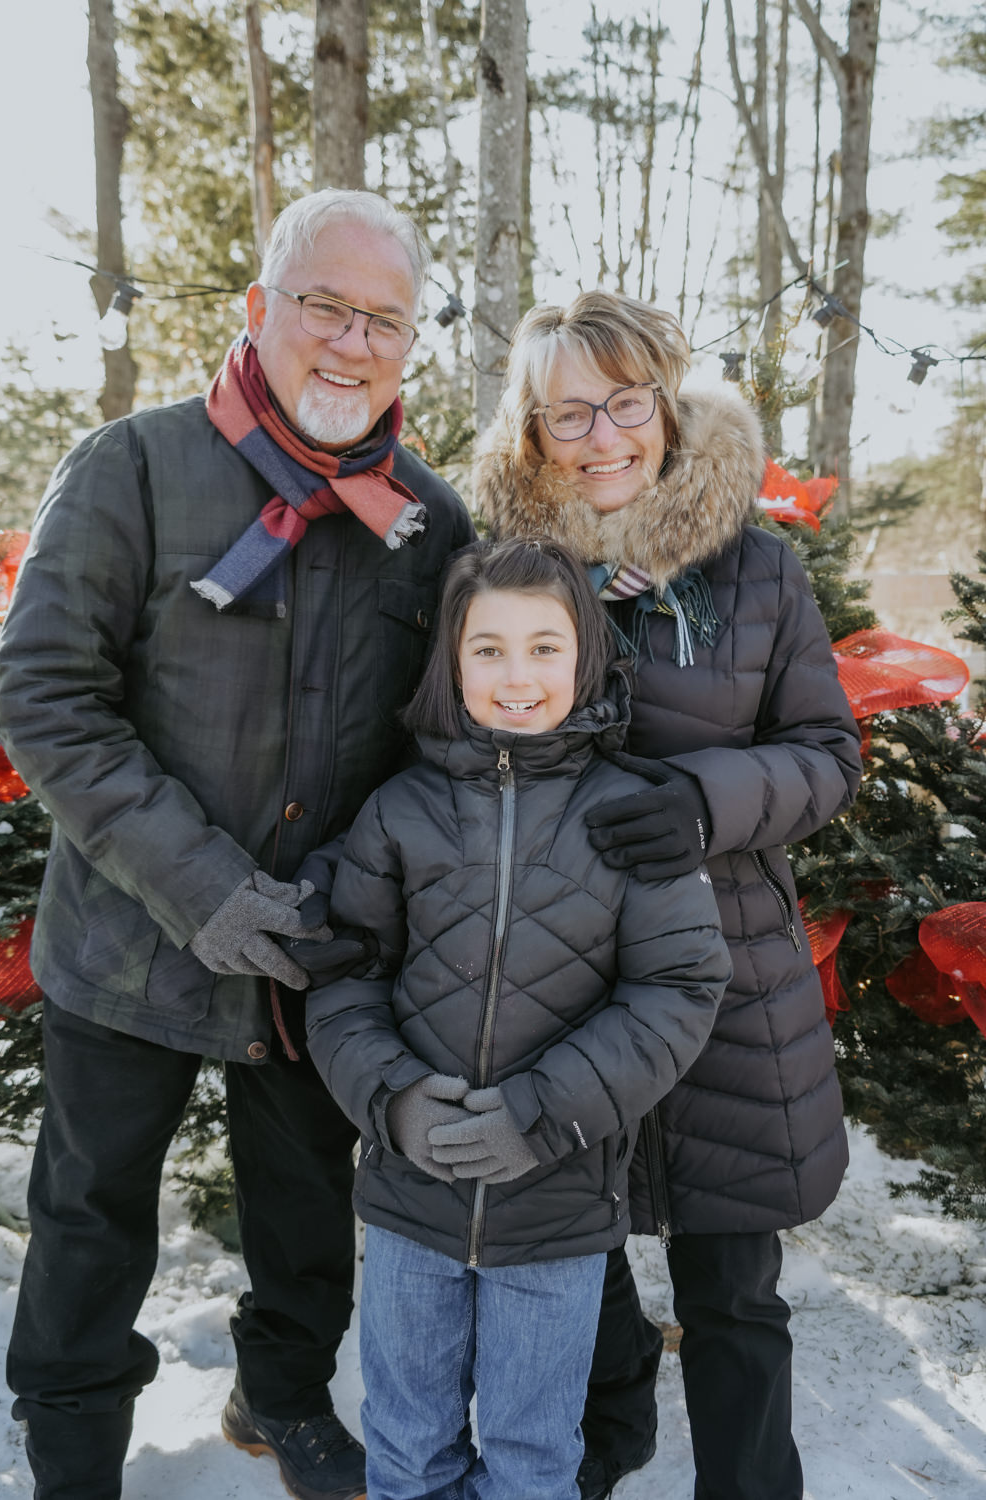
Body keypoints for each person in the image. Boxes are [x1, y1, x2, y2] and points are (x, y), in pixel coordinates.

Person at [0, 187, 475, 1500]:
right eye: (326, 306)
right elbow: (46, 695)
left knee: (307, 1202)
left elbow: (444, 736)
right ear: (260, 308)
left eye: (386, 320)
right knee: (90, 1214)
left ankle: (285, 1396)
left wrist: (355, 897)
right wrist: (200, 883)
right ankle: (74, 1449)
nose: (354, 343)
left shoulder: (427, 522)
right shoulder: (133, 467)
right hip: (128, 938)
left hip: (319, 949)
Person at [474, 292, 864, 1500]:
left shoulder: (757, 568)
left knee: (733, 1288)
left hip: (725, 970)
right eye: (568, 414)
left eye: (624, 403)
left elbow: (826, 754)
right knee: (567, 1258)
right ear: (532, 433)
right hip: (551, 974)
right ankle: (606, 1431)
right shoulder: (501, 574)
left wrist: (705, 800)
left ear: (666, 402)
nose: (602, 438)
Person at [301, 537, 733, 1500]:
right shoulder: (398, 812)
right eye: (488, 649)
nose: (518, 676)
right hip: (411, 1203)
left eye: (545, 647)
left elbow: (679, 987)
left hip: (557, 1207)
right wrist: (393, 1100)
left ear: (587, 656)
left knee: (532, 1455)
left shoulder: (629, 815)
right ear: (451, 664)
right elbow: (346, 977)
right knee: (406, 1448)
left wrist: (542, 1112)